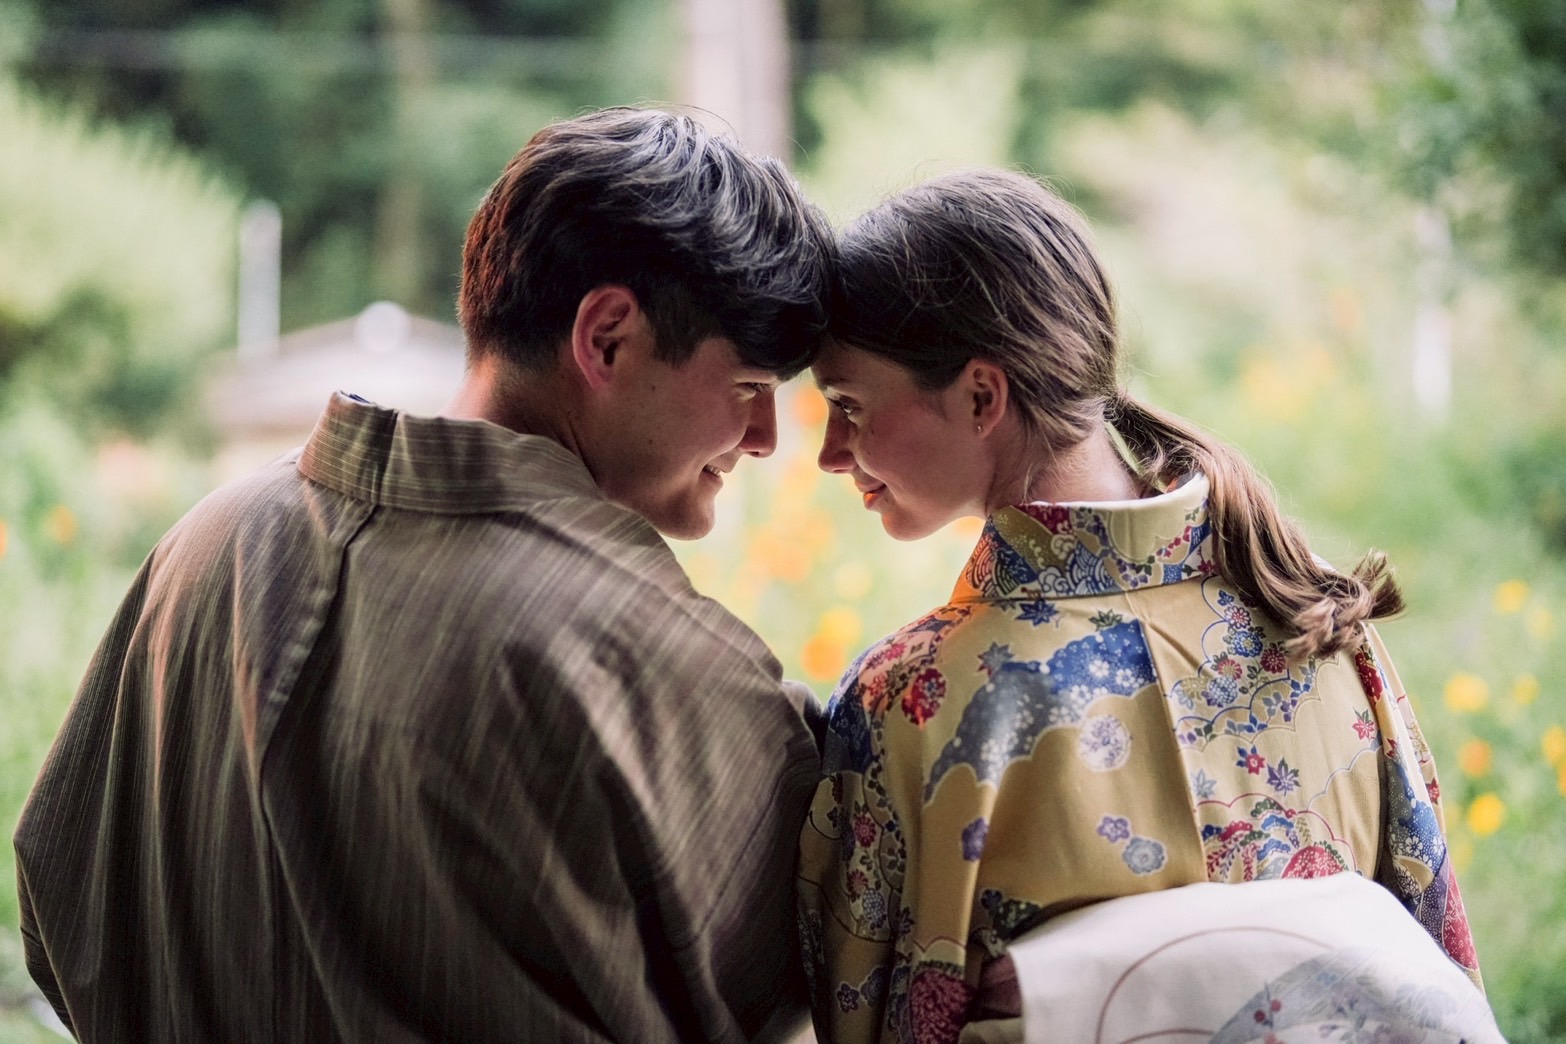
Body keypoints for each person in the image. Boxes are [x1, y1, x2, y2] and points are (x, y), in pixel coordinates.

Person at [16, 107, 833, 1043]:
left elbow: (55, 900)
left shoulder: (205, 543)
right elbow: (826, 972)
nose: (766, 438)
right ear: (607, 336)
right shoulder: (655, 661)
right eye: (749, 388)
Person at [794, 169, 1488, 1044]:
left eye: (849, 405)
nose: (829, 452)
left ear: (981, 396)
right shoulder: (1315, 618)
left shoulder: (909, 702)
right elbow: (1439, 980)